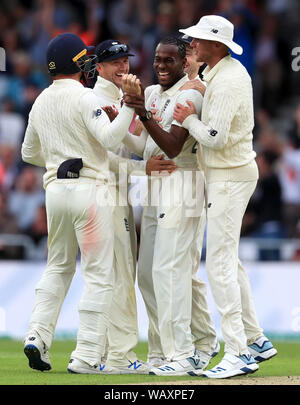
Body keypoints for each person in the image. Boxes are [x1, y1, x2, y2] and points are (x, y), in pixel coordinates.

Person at [21, 32, 142, 374]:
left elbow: (28, 153)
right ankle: (87, 356)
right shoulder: (86, 98)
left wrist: (59, 159)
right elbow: (108, 138)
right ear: (81, 64)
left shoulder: (41, 101)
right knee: (98, 275)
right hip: (91, 193)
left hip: (55, 193)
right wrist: (129, 108)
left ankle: (36, 336)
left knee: (57, 268)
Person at [172, 15, 277, 378]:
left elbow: (213, 137)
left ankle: (237, 352)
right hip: (227, 174)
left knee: (217, 265)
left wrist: (187, 119)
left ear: (216, 46)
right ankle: (256, 339)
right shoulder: (220, 74)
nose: (193, 45)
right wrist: (198, 86)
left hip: (229, 177)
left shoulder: (229, 80)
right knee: (228, 262)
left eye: (199, 40)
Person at [124, 36, 218, 376]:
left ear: (184, 61)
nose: (161, 66)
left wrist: (141, 114)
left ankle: (184, 352)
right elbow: (141, 143)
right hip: (153, 186)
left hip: (183, 181)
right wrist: (119, 121)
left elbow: (175, 146)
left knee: (171, 271)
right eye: (157, 61)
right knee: (149, 273)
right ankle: (164, 350)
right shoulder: (150, 94)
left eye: (169, 61)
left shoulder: (191, 92)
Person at [92, 39, 177, 374]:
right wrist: (144, 167)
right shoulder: (98, 100)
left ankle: (93, 352)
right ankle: (121, 356)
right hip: (106, 196)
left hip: (116, 195)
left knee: (109, 275)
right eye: (114, 63)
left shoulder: (116, 98)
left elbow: (135, 143)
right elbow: (103, 160)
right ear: (98, 68)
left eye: (125, 61)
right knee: (122, 275)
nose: (123, 68)